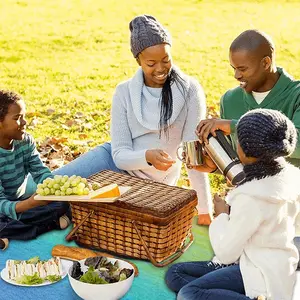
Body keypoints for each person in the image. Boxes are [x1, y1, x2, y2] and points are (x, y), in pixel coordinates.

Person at [53, 15, 213, 225]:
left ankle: (63, 216)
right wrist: (147, 156)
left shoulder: (190, 90)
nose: (160, 69)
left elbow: (193, 156)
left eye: (166, 60)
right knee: (50, 187)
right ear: (138, 60)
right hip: (112, 163)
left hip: (149, 186)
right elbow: (119, 155)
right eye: (151, 63)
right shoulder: (124, 92)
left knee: (90, 213)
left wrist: (204, 210)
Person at [165, 109, 300, 300]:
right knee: (175, 273)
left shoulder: (250, 198)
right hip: (275, 265)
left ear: (244, 150)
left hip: (258, 272)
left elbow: (226, 253)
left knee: (189, 293)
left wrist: (221, 216)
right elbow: (265, 200)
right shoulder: (292, 178)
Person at [195, 29, 300, 263]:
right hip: (249, 204)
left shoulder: (297, 95)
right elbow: (243, 161)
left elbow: (298, 142)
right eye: (233, 68)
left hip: (290, 208)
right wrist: (217, 165)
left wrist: (234, 126)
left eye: (242, 69)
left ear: (266, 62)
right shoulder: (230, 100)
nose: (236, 75)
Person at [0, 90, 70, 245]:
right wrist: (31, 204)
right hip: (5, 207)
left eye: (24, 116)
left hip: (20, 203)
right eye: (17, 118)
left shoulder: (25, 141)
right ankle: (50, 225)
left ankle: (11, 232)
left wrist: (54, 189)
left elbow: (40, 172)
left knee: (64, 203)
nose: (24, 122)